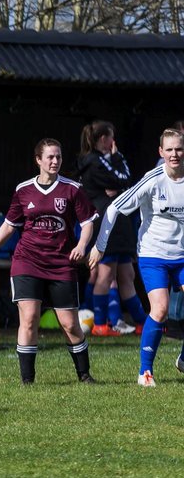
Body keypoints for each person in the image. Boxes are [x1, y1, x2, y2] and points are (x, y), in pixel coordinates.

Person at [0, 139, 98, 384]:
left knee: (69, 324)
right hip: (27, 261)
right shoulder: (23, 190)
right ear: (38, 160)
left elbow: (87, 222)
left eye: (58, 157)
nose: (55, 161)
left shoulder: (72, 189)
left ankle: (84, 376)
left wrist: (81, 245)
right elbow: (10, 225)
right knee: (30, 318)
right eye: (50, 157)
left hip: (61, 262)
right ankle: (28, 381)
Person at [88, 128, 184, 387]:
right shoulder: (152, 180)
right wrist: (100, 246)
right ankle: (145, 372)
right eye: (170, 149)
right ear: (161, 152)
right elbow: (115, 207)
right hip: (154, 254)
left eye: (179, 149)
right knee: (161, 308)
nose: (175, 154)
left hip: (182, 256)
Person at [76, 120, 143, 337]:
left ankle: (142, 322)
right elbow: (124, 177)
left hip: (120, 225)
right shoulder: (93, 161)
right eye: (111, 137)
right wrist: (116, 158)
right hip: (106, 223)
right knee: (104, 274)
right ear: (104, 139)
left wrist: (121, 186)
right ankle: (100, 324)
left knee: (127, 273)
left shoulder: (101, 161)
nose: (114, 142)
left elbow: (124, 184)